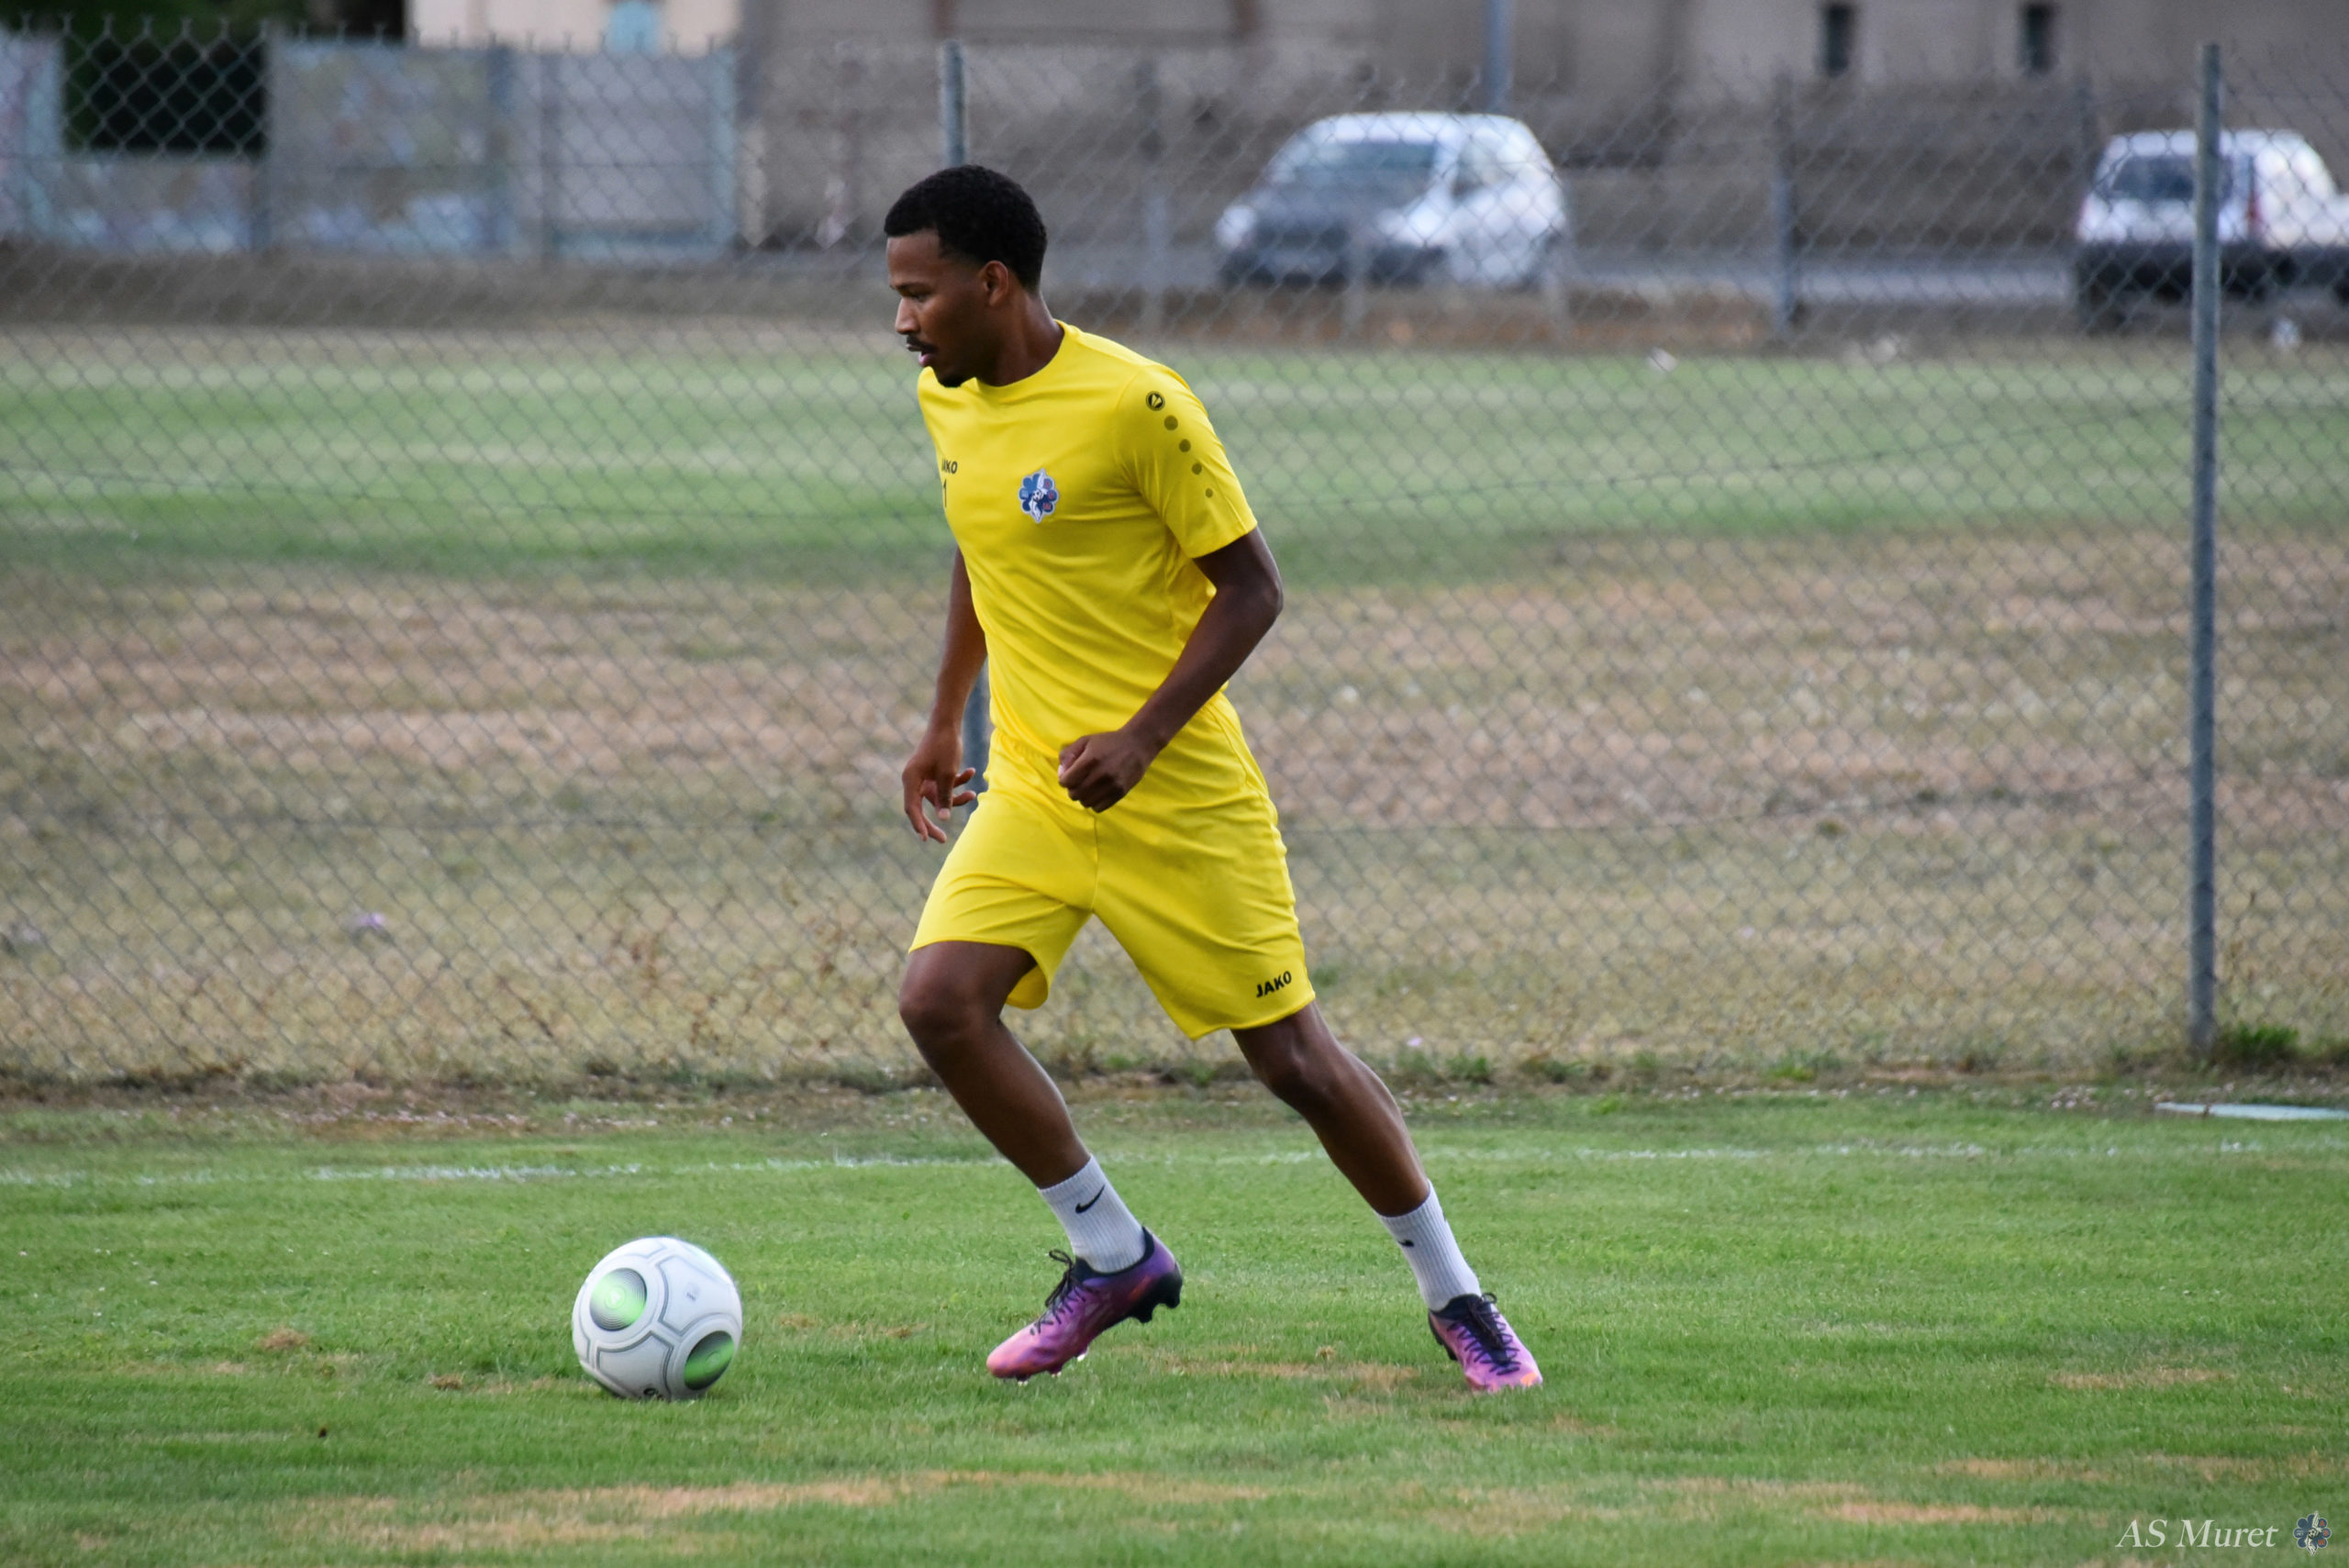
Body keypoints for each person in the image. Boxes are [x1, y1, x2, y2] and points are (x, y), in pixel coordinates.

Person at [885, 164, 1540, 1394]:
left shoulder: (1138, 403)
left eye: (920, 295)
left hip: (1178, 793)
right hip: (1034, 785)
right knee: (940, 1004)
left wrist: (1140, 737)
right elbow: (984, 550)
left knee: (1295, 1063)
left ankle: (1459, 1296)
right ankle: (1112, 1254)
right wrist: (940, 721)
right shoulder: (947, 399)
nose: (905, 322)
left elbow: (1254, 589)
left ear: (994, 283)